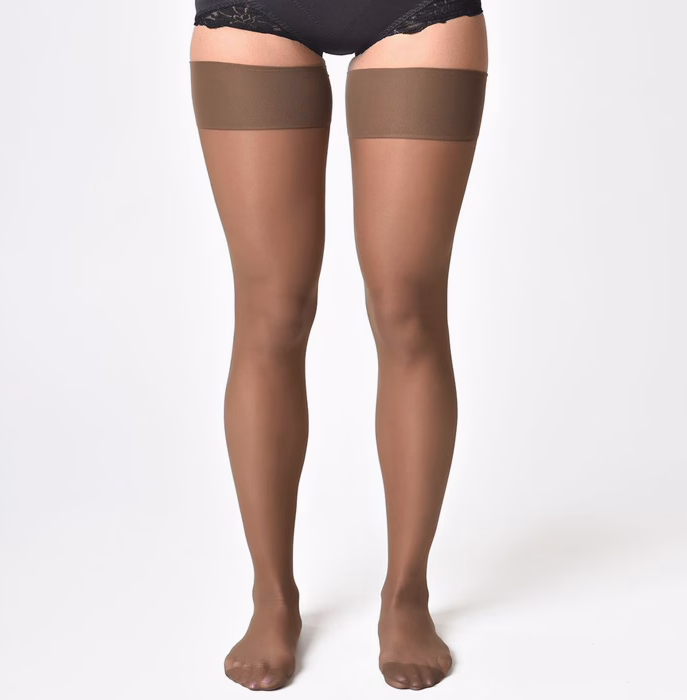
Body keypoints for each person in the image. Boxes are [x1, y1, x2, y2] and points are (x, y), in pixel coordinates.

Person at [189, 0, 488, 690]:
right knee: (272, 309)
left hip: (419, 13)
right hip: (252, 14)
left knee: (407, 308)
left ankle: (406, 594)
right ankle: (272, 596)